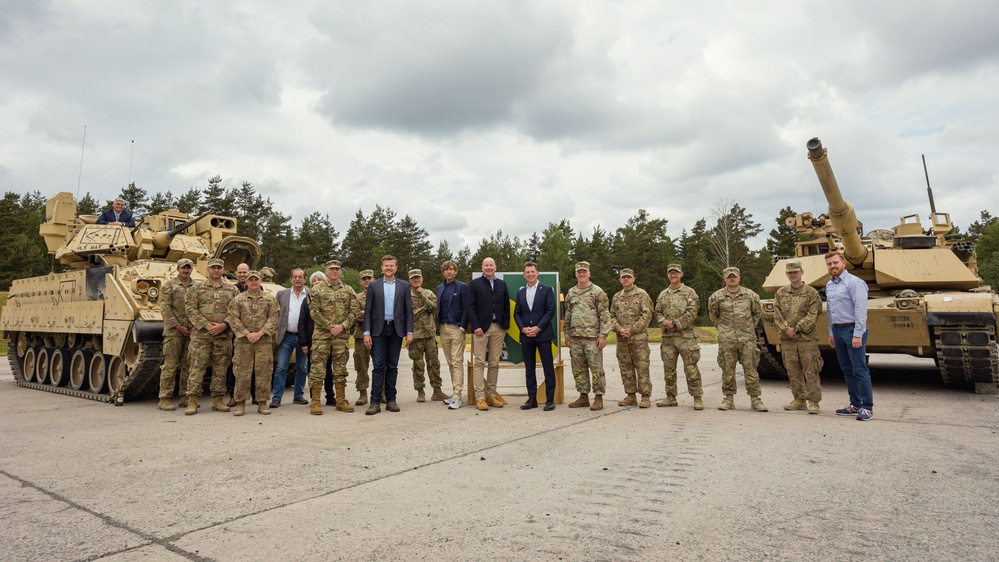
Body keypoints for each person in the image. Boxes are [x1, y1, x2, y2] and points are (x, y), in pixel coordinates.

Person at [184, 258, 239, 415]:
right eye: (213, 268)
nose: (216, 270)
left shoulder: (231, 290)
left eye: (219, 268)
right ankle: (192, 400)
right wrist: (207, 325)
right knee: (196, 368)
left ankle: (218, 399)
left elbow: (236, 311)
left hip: (223, 336)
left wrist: (224, 325)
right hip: (201, 336)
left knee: (220, 369)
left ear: (222, 270)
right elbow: (190, 310)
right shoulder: (196, 288)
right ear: (207, 270)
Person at [708, 267, 767, 412]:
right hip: (727, 340)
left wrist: (747, 329)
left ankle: (755, 400)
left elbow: (757, 313)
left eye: (734, 276)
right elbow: (713, 315)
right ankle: (728, 399)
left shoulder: (751, 295)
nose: (732, 278)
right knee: (727, 370)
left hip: (747, 339)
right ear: (725, 279)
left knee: (751, 370)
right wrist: (724, 329)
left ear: (739, 278)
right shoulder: (716, 297)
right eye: (729, 277)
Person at [306, 260, 360, 415]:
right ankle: (315, 402)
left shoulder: (348, 290)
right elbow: (314, 312)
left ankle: (341, 400)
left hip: (341, 337)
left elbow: (354, 310)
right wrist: (330, 326)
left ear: (341, 271)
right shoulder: (316, 290)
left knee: (340, 369)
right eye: (331, 269)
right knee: (317, 369)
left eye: (337, 269)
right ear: (326, 271)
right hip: (322, 336)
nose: (334, 271)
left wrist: (342, 326)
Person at [825, 251, 873, 421]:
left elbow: (861, 310)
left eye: (835, 263)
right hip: (838, 331)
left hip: (852, 330)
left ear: (843, 263)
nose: (832, 266)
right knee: (847, 369)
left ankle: (867, 407)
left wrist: (858, 334)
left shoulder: (854, 283)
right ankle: (855, 404)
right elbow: (830, 311)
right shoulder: (829, 285)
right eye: (829, 264)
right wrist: (831, 332)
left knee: (859, 369)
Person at [363, 255, 414, 415]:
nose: (389, 268)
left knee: (392, 366)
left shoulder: (404, 286)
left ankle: (391, 400)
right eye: (386, 266)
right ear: (382, 268)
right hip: (378, 330)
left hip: (396, 330)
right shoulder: (374, 286)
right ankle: (375, 402)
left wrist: (409, 331)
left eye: (391, 265)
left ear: (396, 268)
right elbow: (368, 311)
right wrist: (367, 332)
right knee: (378, 366)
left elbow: (408, 311)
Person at [226, 270, 279, 416]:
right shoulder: (238, 300)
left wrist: (260, 333)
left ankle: (262, 402)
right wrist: (247, 334)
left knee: (263, 372)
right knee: (242, 373)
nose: (253, 282)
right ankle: (240, 403)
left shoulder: (269, 299)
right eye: (251, 280)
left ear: (260, 280)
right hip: (244, 342)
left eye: (256, 279)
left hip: (263, 342)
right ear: (247, 282)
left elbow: (274, 318)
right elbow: (233, 318)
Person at [774, 260, 823, 414]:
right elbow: (777, 314)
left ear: (802, 272)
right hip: (787, 339)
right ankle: (799, 399)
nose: (793, 275)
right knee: (793, 370)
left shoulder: (811, 293)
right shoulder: (781, 293)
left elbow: (813, 314)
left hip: (806, 339)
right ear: (786, 274)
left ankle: (813, 402)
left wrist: (797, 328)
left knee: (811, 370)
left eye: (795, 272)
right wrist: (787, 329)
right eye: (790, 272)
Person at [654, 263, 705, 410]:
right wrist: (665, 323)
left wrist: (676, 323)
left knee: (691, 368)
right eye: (670, 273)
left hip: (685, 337)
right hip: (668, 338)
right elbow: (657, 312)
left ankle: (697, 398)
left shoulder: (689, 292)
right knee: (668, 369)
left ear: (681, 274)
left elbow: (692, 312)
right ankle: (671, 397)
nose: (673, 275)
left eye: (676, 273)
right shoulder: (663, 294)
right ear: (667, 275)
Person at [563, 261, 611, 411]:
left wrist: (603, 335)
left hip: (592, 338)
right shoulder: (571, 293)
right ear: (576, 274)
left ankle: (598, 397)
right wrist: (567, 334)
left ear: (589, 273)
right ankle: (583, 396)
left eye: (584, 271)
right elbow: (568, 314)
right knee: (578, 369)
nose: (582, 274)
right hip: (576, 337)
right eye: (579, 272)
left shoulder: (598, 292)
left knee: (596, 369)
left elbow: (605, 316)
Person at [466, 257, 511, 411]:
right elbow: (470, 307)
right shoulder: (474, 284)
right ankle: (480, 398)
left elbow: (506, 305)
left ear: (495, 267)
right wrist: (476, 326)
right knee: (479, 362)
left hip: (498, 328)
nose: (489, 267)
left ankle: (491, 396)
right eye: (486, 265)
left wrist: (506, 324)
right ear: (482, 267)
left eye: (491, 265)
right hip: (481, 329)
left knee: (494, 363)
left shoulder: (501, 284)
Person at [513, 261, 557, 411]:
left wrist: (538, 328)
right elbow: (516, 313)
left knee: (548, 368)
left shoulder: (546, 290)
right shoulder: (520, 292)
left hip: (543, 335)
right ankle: (532, 399)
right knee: (529, 369)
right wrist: (523, 329)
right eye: (527, 272)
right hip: (526, 336)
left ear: (537, 273)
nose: (530, 274)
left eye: (533, 271)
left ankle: (550, 400)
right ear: (524, 275)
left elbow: (550, 311)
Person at [609, 268, 653, 408]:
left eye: (628, 277)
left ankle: (645, 396)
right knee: (625, 367)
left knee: (642, 367)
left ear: (633, 279)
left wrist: (632, 330)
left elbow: (647, 315)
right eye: (623, 277)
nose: (626, 279)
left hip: (638, 339)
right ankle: (630, 395)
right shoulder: (616, 297)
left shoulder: (642, 295)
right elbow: (611, 316)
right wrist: (619, 329)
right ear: (620, 280)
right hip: (622, 339)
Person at [157, 258, 195, 411]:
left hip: (192, 331)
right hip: (174, 332)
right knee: (170, 366)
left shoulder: (196, 287)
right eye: (183, 268)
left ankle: (185, 397)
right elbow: (165, 309)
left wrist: (194, 326)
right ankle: (164, 398)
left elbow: (198, 308)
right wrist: (178, 327)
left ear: (191, 269)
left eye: (188, 268)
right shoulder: (169, 286)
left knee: (188, 365)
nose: (185, 270)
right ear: (178, 269)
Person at [269, 268, 310, 408]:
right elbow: (274, 313)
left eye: (300, 277)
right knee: (281, 367)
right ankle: (277, 397)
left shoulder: (310, 294)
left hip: (303, 337)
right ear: (291, 279)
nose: (297, 279)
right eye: (295, 277)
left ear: (305, 279)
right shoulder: (282, 294)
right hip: (286, 336)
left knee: (302, 367)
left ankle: (298, 395)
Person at [408, 269, 446, 402]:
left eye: (417, 278)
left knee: (434, 363)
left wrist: (424, 297)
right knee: (418, 364)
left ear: (422, 279)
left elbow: (435, 309)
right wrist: (423, 308)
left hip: (429, 334)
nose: (415, 280)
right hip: (415, 336)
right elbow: (408, 315)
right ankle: (420, 391)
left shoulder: (429, 293)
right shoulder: (406, 296)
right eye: (413, 278)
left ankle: (437, 390)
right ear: (410, 281)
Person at [436, 261, 469, 409]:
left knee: (457, 361)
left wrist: (462, 326)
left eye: (451, 269)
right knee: (450, 362)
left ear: (455, 271)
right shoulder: (440, 288)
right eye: (446, 270)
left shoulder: (462, 287)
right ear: (443, 272)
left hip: (456, 328)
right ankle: (454, 393)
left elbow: (467, 307)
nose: (448, 272)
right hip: (443, 328)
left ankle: (457, 395)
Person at [298, 272, 335, 406]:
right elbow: (301, 322)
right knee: (312, 371)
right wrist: (304, 343)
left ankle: (330, 396)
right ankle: (315, 398)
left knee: (329, 370)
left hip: (328, 339)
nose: (317, 282)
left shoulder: (329, 299)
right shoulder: (307, 299)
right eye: (314, 280)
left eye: (320, 280)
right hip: (312, 341)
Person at [226, 262, 251, 407]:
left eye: (245, 272)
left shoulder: (257, 287)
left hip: (254, 333)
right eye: (240, 272)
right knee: (235, 366)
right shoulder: (231, 289)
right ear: (236, 274)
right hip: (236, 333)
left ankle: (254, 395)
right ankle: (233, 396)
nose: (242, 275)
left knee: (254, 366)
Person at [352, 269, 374, 406]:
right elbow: (356, 315)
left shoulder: (380, 295)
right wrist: (372, 315)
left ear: (374, 279)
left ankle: (381, 392)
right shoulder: (356, 297)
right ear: (361, 281)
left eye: (369, 278)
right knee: (361, 364)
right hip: (361, 336)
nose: (367, 280)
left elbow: (384, 314)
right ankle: (362, 393)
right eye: (364, 278)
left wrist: (366, 313)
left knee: (381, 365)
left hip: (378, 335)